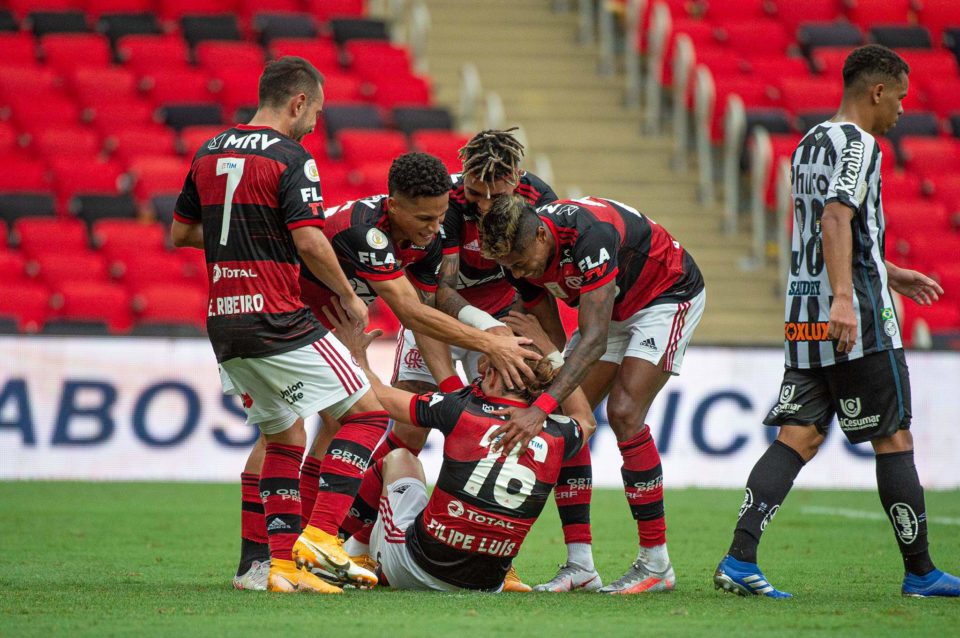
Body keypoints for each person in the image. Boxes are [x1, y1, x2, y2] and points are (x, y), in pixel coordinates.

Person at [713, 44, 959, 599]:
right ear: (876, 92)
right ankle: (920, 571)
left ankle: (739, 560)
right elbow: (835, 216)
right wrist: (847, 298)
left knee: (796, 437)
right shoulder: (860, 144)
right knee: (893, 440)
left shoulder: (807, 143)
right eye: (898, 97)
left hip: (804, 318)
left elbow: (819, 229)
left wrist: (887, 269)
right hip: (855, 321)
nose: (901, 109)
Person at [171, 56, 383, 594]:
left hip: (225, 322)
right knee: (369, 415)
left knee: (284, 434)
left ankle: (270, 568)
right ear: (298, 102)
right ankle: (321, 536)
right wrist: (347, 297)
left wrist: (248, 238)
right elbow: (311, 239)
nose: (316, 124)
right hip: (277, 316)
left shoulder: (208, 150)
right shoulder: (292, 157)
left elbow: (183, 233)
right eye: (316, 112)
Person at [390, 129, 599, 592]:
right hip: (445, 319)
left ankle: (544, 561)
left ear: (517, 180)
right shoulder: (446, 199)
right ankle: (358, 541)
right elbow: (433, 291)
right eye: (475, 193)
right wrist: (484, 331)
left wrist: (554, 355)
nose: (483, 204)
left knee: (553, 423)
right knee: (409, 430)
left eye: (495, 194)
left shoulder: (539, 199)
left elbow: (539, 280)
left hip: (508, 318)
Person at [479, 194, 706, 594]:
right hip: (612, 308)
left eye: (519, 261)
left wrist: (539, 408)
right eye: (508, 266)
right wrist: (536, 366)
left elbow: (595, 339)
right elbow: (555, 339)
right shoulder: (518, 259)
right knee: (570, 415)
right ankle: (580, 566)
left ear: (541, 237)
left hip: (665, 294)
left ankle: (656, 564)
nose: (516, 271)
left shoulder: (589, 236)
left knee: (623, 412)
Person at [323, 304, 597, 591]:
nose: (477, 376)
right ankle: (357, 554)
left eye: (482, 369)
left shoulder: (461, 409)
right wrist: (551, 351)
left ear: (492, 376)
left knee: (401, 458)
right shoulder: (557, 431)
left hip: (416, 569)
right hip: (489, 585)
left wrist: (356, 354)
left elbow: (378, 396)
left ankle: (337, 545)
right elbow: (587, 421)